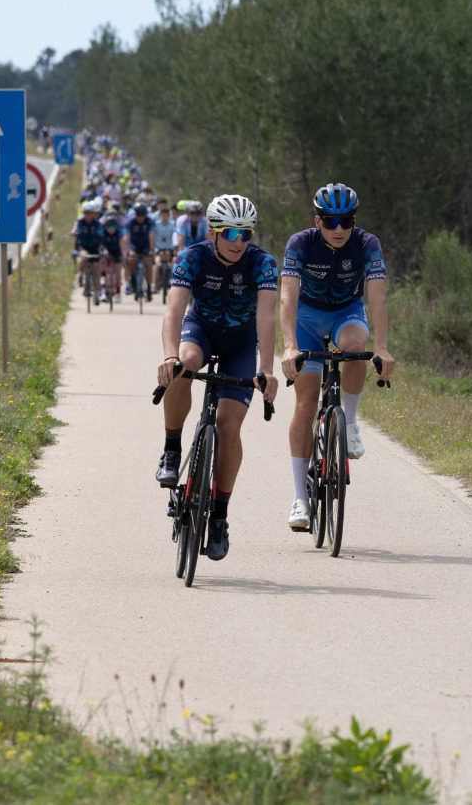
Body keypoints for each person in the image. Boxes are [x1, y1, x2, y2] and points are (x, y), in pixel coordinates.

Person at [154, 194, 279, 561]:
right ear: (212, 232)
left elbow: (266, 318)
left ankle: (220, 517)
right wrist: (169, 356)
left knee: (228, 428)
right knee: (185, 365)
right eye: (230, 233)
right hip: (202, 331)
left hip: (241, 342)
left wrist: (267, 369)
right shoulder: (192, 257)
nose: (238, 242)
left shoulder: (262, 263)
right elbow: (174, 311)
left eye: (245, 234)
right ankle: (172, 450)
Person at [278, 183, 397, 531]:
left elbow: (377, 297)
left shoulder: (367, 243)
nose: (339, 229)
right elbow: (287, 296)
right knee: (305, 405)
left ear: (354, 221)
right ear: (318, 221)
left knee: (355, 347)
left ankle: (350, 422)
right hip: (307, 319)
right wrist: (289, 346)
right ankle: (300, 498)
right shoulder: (300, 243)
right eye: (331, 222)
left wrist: (382, 348)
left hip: (347, 312)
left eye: (346, 221)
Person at [72, 198, 106, 291]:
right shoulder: (81, 222)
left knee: (96, 270)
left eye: (90, 213)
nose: (88, 215)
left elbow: (101, 233)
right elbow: (78, 230)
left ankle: (97, 293)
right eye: (86, 213)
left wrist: (99, 234)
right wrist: (76, 233)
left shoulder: (97, 224)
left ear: (93, 214)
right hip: (84, 246)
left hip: (95, 248)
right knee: (84, 257)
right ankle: (80, 273)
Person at [124, 203, 154, 299]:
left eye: (142, 216)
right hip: (134, 246)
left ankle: (149, 288)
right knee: (132, 259)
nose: (140, 218)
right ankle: (133, 279)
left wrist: (152, 250)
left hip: (146, 246)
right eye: (138, 215)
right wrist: (127, 250)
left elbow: (152, 236)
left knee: (148, 263)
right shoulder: (130, 222)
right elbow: (127, 237)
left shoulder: (150, 222)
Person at [99, 205, 125, 300]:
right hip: (106, 251)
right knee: (102, 260)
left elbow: (122, 244)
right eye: (109, 226)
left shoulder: (119, 232)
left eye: (113, 226)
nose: (111, 229)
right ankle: (103, 286)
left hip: (116, 251)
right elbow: (100, 244)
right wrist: (103, 250)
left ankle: (118, 292)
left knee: (118, 272)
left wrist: (123, 256)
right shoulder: (102, 232)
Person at [152, 206, 178, 293]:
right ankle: (156, 285)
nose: (164, 217)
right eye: (163, 215)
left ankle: (172, 280)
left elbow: (175, 235)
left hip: (169, 248)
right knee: (157, 265)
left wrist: (175, 246)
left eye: (166, 215)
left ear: (168, 216)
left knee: (173, 261)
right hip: (158, 249)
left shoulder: (172, 224)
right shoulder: (156, 225)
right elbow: (152, 236)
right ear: (160, 216)